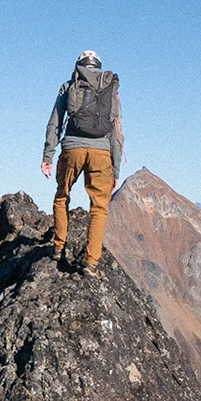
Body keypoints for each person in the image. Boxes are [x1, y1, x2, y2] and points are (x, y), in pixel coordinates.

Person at [41, 50, 124, 271]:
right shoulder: (110, 90)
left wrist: (48, 156)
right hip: (101, 153)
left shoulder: (70, 86)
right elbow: (116, 133)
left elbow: (55, 122)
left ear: (79, 65)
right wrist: (115, 170)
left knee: (62, 196)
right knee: (99, 208)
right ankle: (91, 262)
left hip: (72, 148)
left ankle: (58, 248)